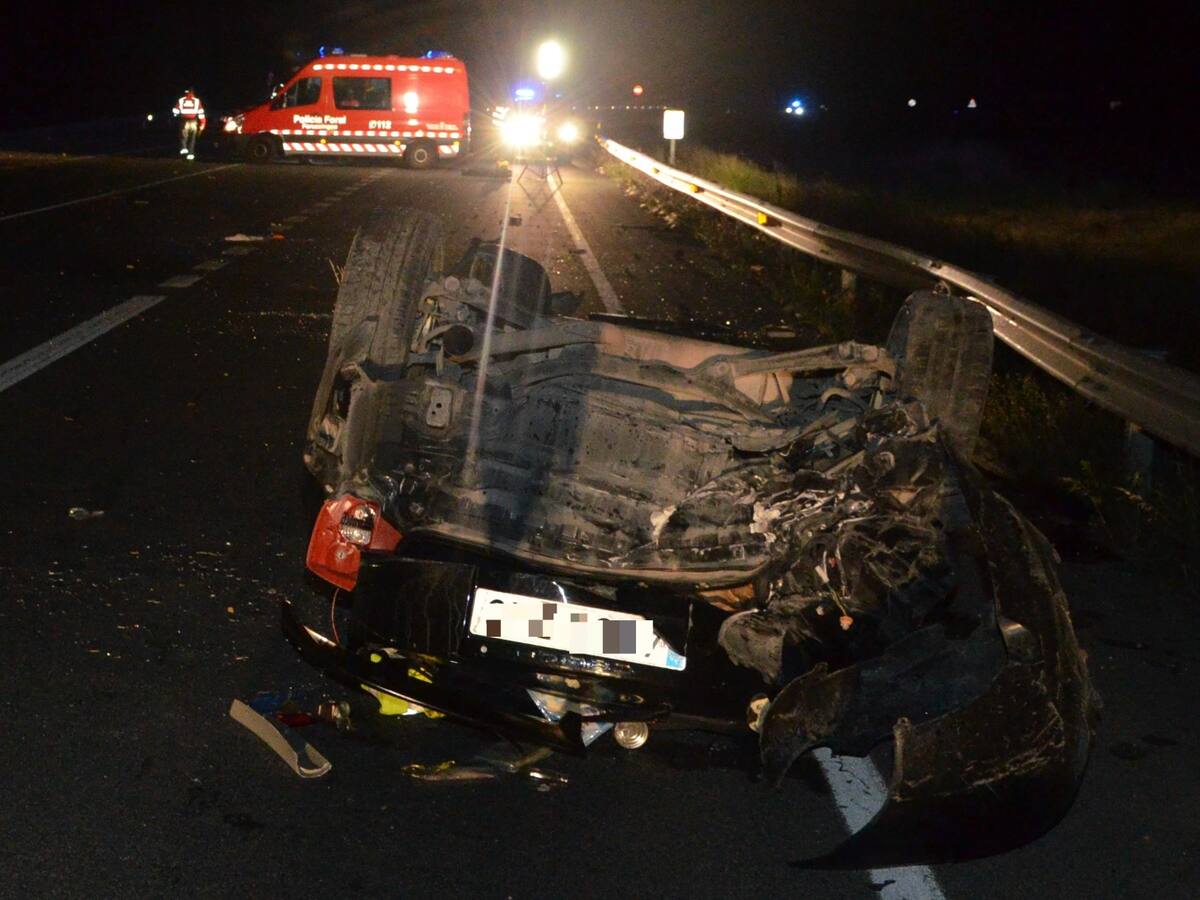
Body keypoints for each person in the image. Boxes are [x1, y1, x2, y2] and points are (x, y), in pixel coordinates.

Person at [172, 89, 206, 160]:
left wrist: (175, 114)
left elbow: (175, 110)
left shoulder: (181, 100)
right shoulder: (197, 101)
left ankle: (184, 148)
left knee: (183, 136)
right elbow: (201, 113)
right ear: (193, 93)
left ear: (185, 93)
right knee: (192, 138)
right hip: (193, 121)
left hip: (184, 121)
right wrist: (203, 123)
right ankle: (190, 154)